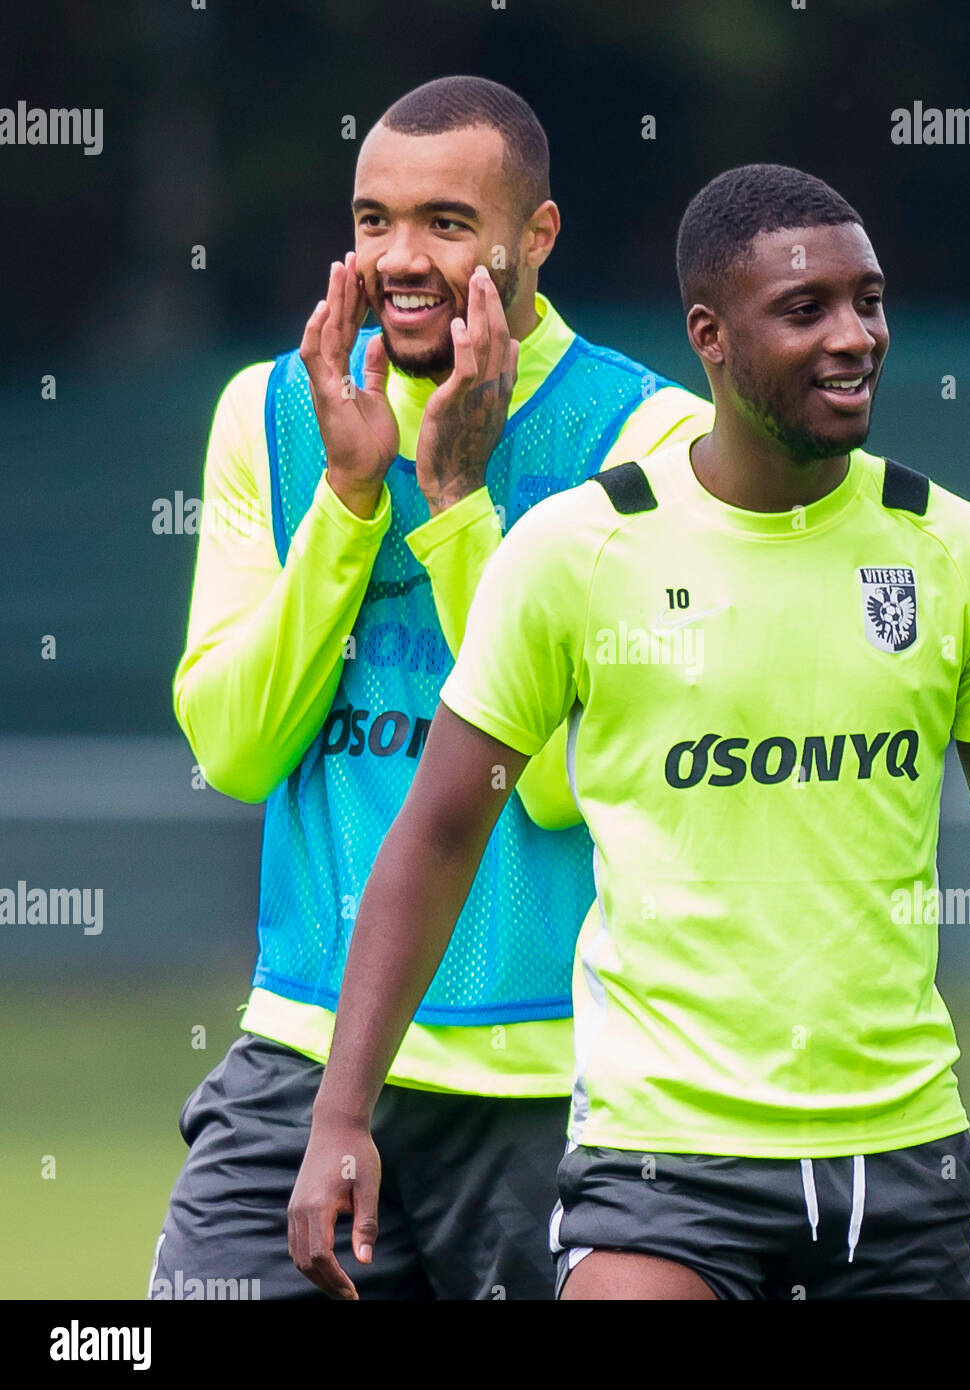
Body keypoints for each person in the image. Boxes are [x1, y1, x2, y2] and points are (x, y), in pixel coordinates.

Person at [288, 163, 970, 1301]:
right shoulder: (579, 551)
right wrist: (342, 1113)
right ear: (710, 335)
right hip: (658, 1162)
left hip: (899, 1162)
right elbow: (433, 839)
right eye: (806, 309)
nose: (854, 336)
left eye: (867, 301)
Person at [150, 75, 710, 1301]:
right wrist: (350, 510)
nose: (401, 258)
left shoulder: (650, 438)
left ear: (536, 238)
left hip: (558, 1088)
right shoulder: (270, 411)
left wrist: (458, 513)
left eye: (447, 224)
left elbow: (566, 787)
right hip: (304, 1051)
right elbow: (239, 751)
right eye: (371, 222)